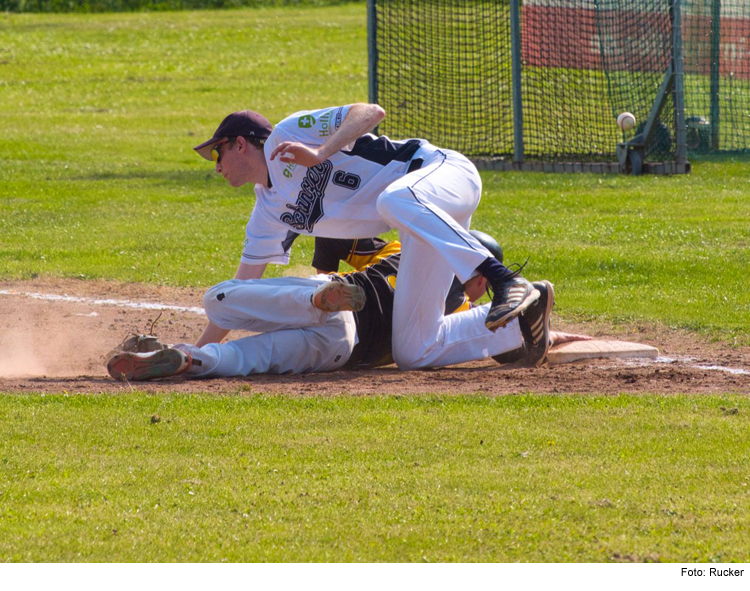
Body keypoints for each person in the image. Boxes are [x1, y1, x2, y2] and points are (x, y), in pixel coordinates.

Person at [189, 104, 542, 370]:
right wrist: (198, 351)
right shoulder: (268, 211)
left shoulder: (287, 135)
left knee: (393, 200)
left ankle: (505, 279)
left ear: (240, 145)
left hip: (443, 173)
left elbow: (371, 112)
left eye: (217, 153)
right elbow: (240, 288)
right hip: (420, 219)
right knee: (413, 351)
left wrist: (320, 153)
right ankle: (526, 317)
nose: (216, 166)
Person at [106, 236, 589, 381]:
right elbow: (500, 339)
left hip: (334, 304)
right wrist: (549, 333)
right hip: (344, 353)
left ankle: (318, 294)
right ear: (480, 275)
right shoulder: (453, 310)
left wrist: (323, 272)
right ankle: (191, 360)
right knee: (254, 360)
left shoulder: (405, 249)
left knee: (220, 298)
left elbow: (340, 233)